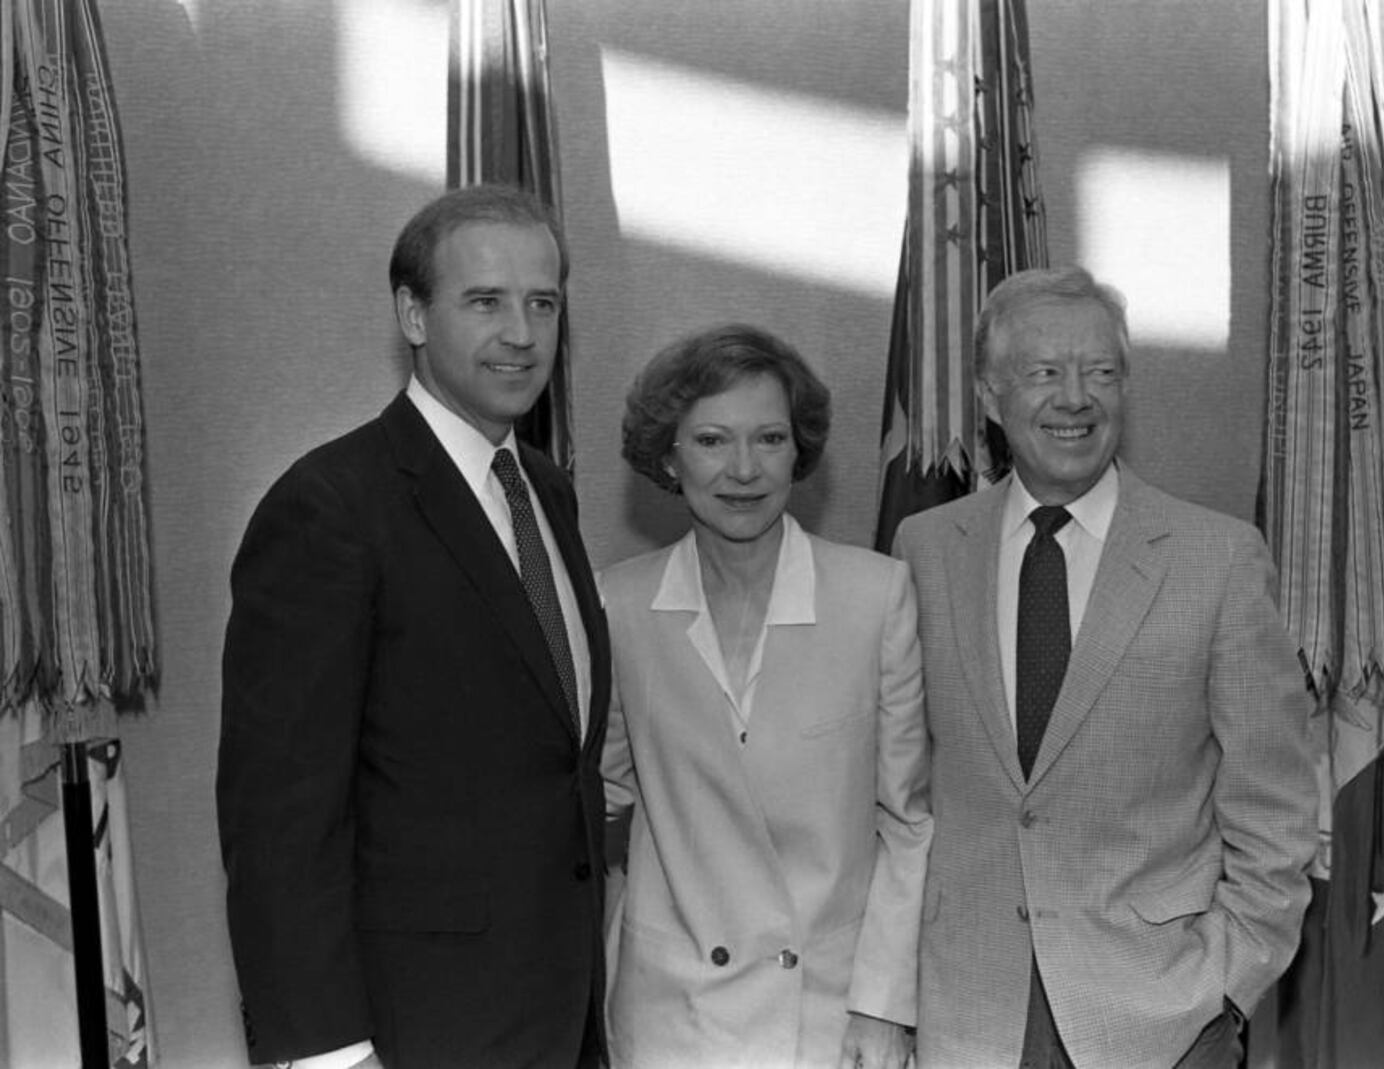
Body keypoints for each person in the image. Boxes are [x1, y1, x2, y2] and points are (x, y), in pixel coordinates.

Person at [217, 185, 611, 1069]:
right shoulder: (328, 508)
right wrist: (327, 1053)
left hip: (561, 1017)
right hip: (412, 1031)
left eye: (542, 303)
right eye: (485, 301)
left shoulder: (546, 490)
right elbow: (280, 818)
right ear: (413, 313)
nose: (522, 332)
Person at [892, 267, 1317, 1069]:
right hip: (966, 1009)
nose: (1074, 398)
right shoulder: (923, 549)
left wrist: (1226, 982)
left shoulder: (1217, 558)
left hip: (1162, 1018)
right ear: (990, 397)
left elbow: (1278, 805)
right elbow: (903, 785)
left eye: (1101, 372)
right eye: (1044, 372)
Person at [600, 324, 932, 1069]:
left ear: (798, 452)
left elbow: (906, 824)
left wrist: (883, 1007)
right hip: (671, 1015)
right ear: (668, 455)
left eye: (770, 439)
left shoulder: (875, 596)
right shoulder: (618, 605)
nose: (743, 469)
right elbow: (598, 800)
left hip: (830, 1014)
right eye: (713, 440)